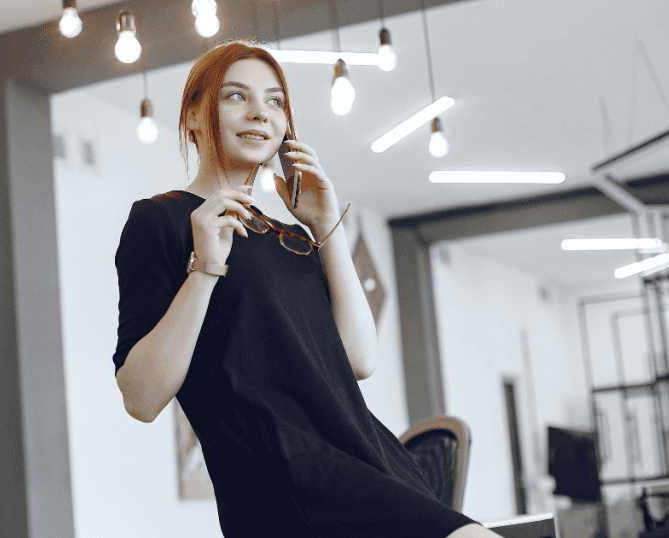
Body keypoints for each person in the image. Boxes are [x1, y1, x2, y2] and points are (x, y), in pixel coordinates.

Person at [113, 40, 499, 538]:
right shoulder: (161, 220)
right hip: (281, 482)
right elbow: (140, 398)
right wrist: (205, 269)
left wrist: (324, 224)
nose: (260, 113)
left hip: (370, 458)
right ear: (191, 115)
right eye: (236, 96)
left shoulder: (292, 237)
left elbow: (358, 361)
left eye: (275, 101)